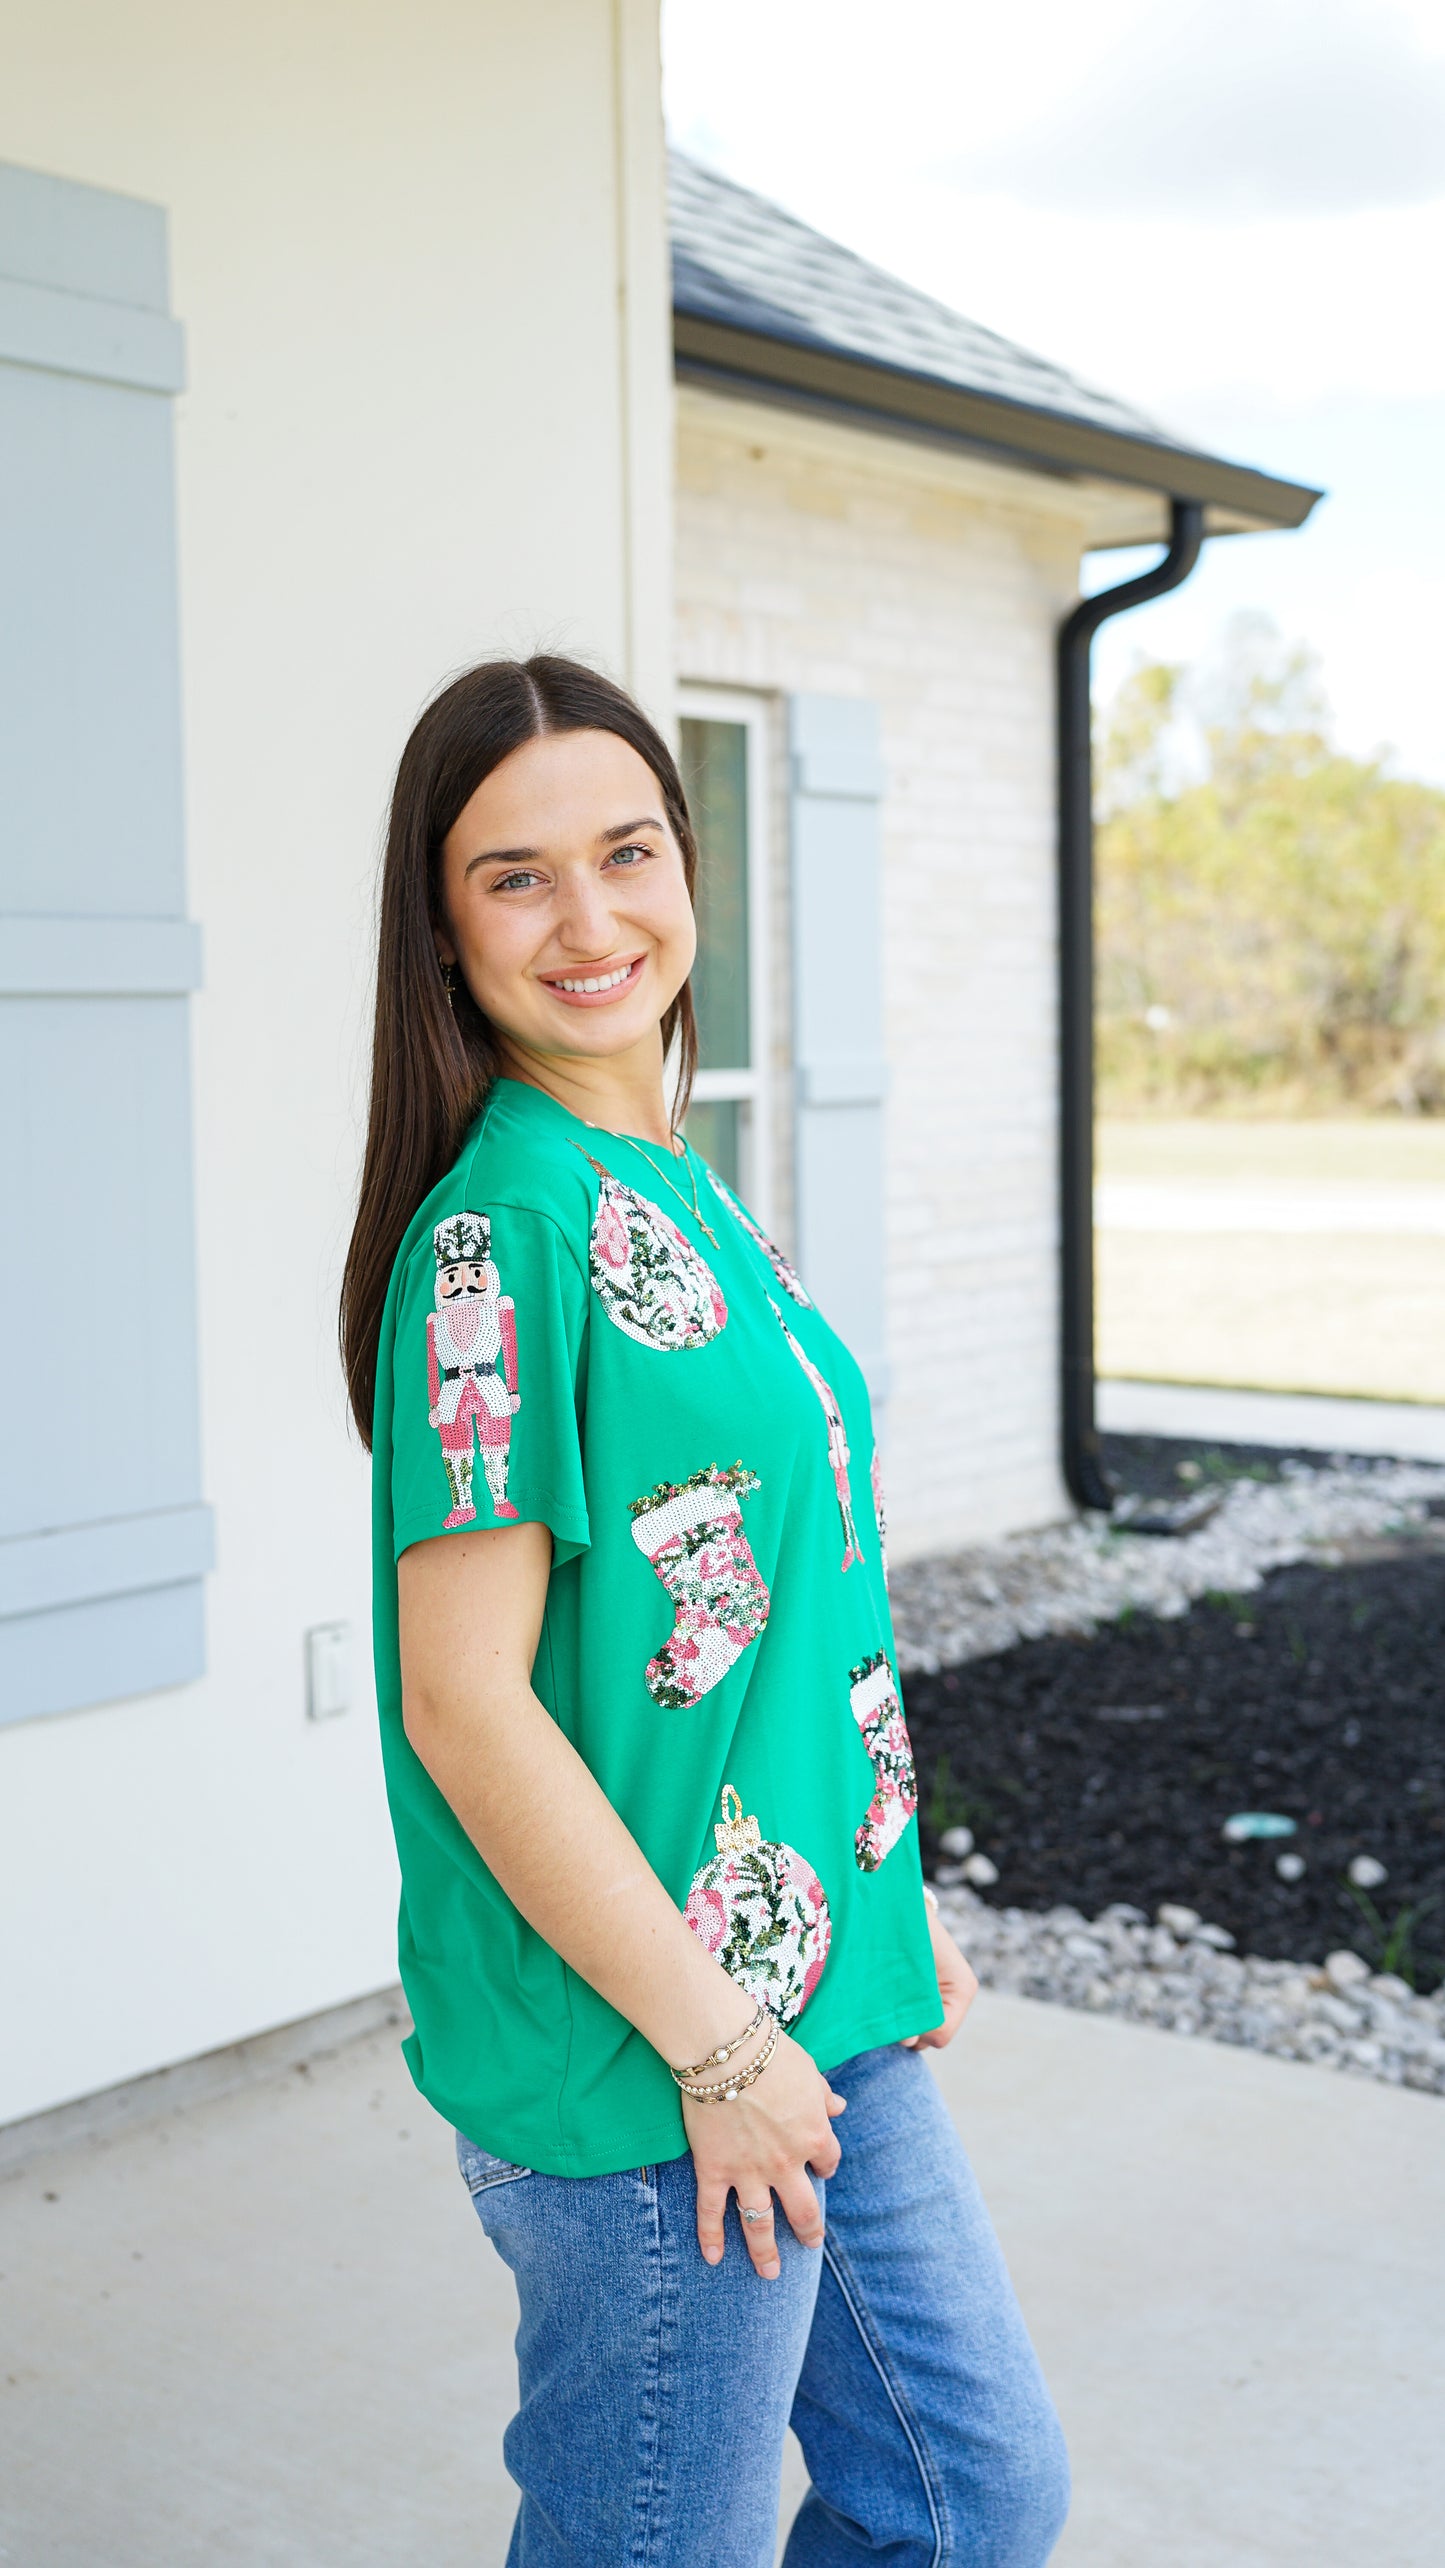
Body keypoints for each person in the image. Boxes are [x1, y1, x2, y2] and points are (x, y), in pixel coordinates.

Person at [341, 656, 1070, 2567]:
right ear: (440, 930)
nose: (587, 921)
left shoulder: (677, 1181)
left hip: (820, 1987)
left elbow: (796, 1610)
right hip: (647, 2041)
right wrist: (721, 2048)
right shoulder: (498, 1242)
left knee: (965, 2495)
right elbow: (465, 1706)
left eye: (627, 853)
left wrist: (884, 1915)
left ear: (689, 872)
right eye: (513, 877)